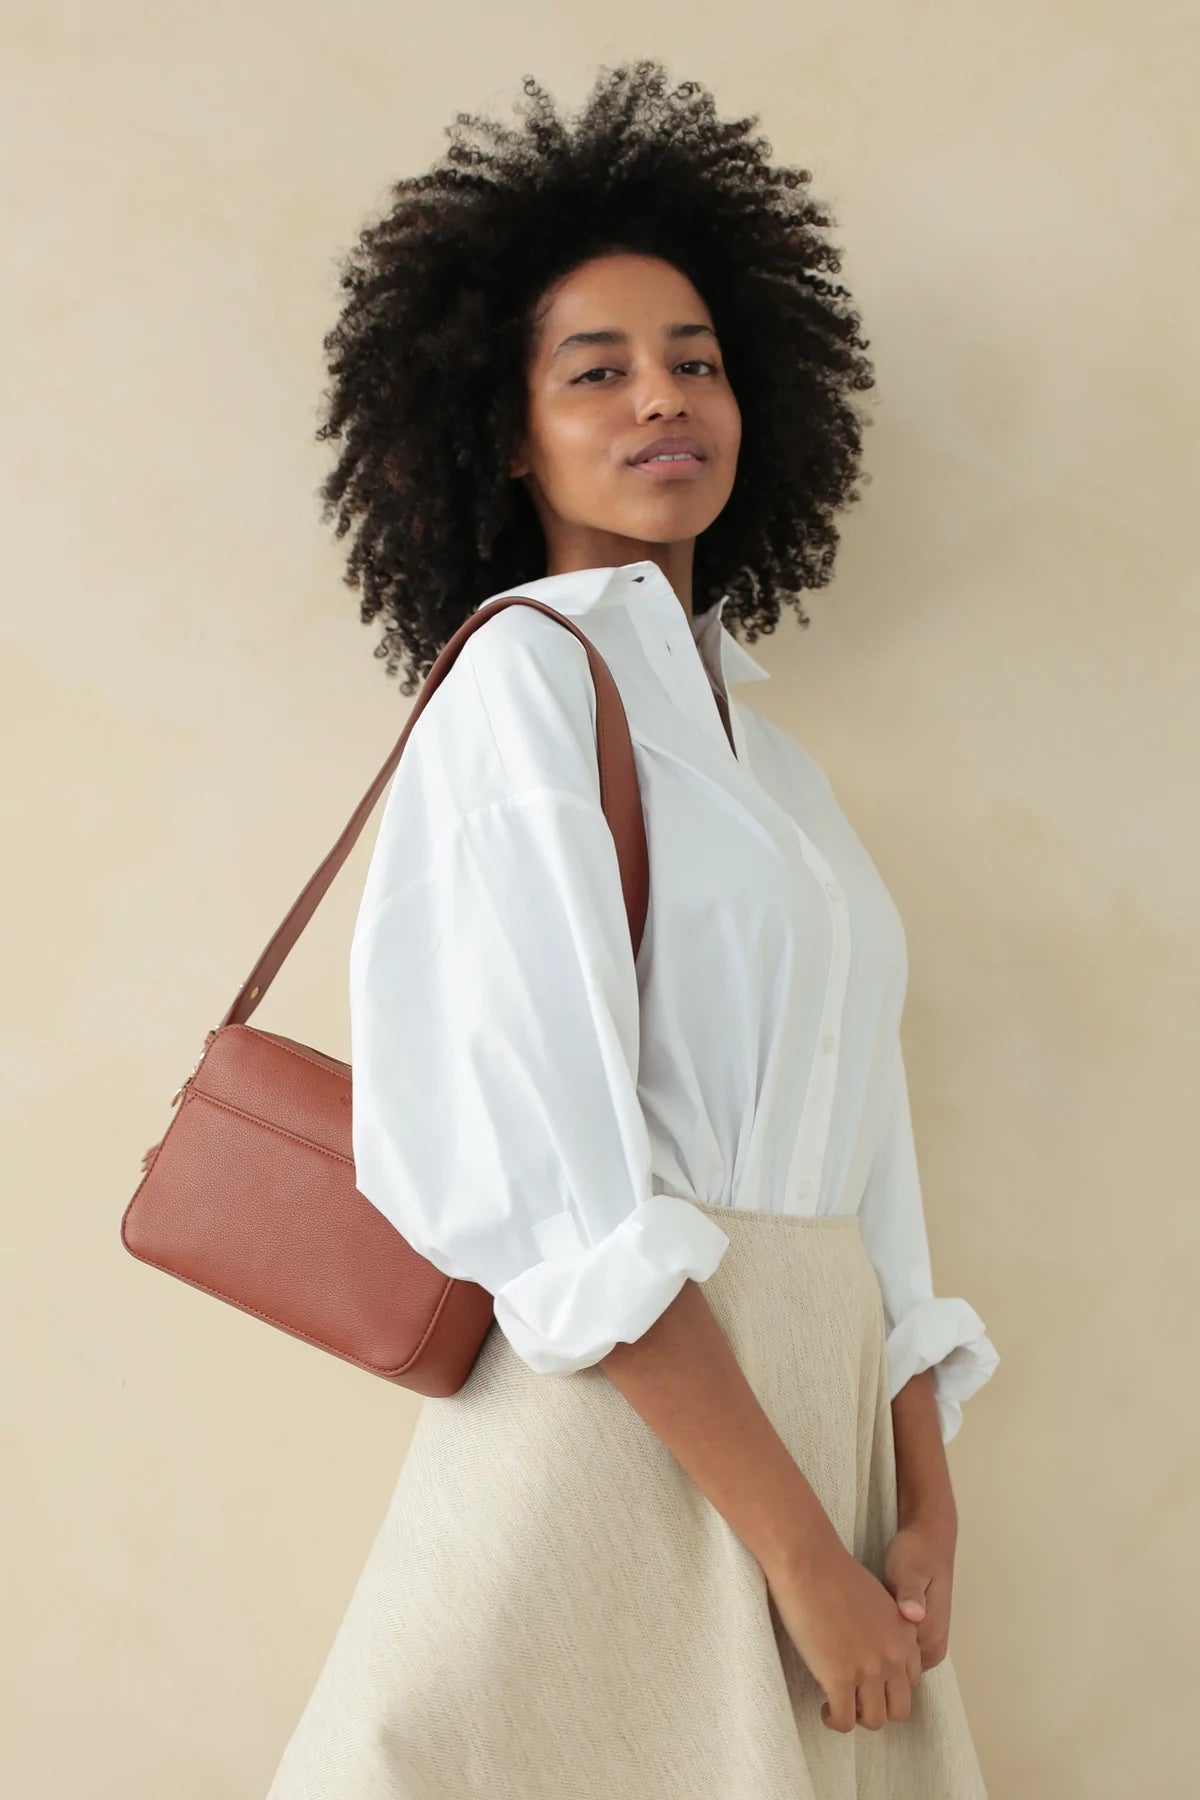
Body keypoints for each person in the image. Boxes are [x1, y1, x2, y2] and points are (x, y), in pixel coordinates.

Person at [265, 57, 1000, 1800]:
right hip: (626, 1427)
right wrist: (801, 1557)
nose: (664, 395)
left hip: (818, 1437)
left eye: (698, 359)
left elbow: (868, 1172)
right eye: (596, 369)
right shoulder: (521, 688)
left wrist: (922, 1500)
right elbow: (560, 1188)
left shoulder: (773, 762)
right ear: (504, 430)